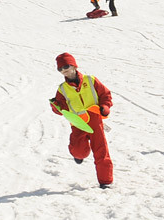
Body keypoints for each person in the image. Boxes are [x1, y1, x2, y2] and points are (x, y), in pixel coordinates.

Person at [49, 53, 115, 189]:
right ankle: (78, 155)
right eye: (60, 69)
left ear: (74, 65)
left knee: (101, 150)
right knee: (78, 150)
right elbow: (61, 108)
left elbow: (105, 95)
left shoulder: (91, 80)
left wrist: (105, 107)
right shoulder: (62, 89)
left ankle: (105, 182)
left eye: (66, 66)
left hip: (95, 120)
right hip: (78, 123)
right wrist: (55, 106)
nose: (64, 71)